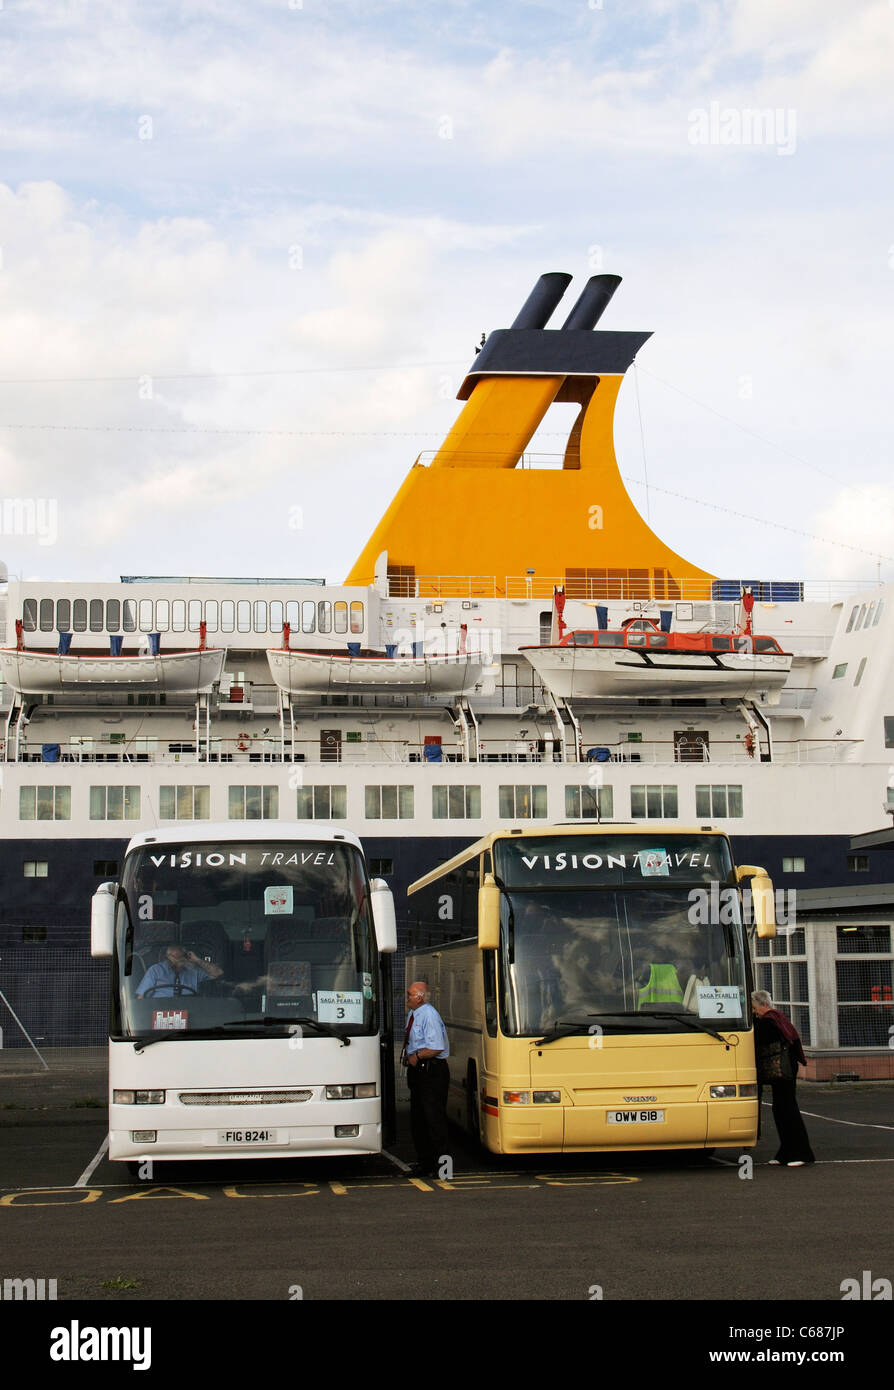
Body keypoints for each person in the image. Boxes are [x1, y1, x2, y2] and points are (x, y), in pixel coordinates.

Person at [751, 989, 815, 1167]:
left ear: (763, 1004)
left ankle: (802, 1152)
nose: (754, 1012)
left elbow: (758, 1038)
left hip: (783, 1071)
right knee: (780, 1109)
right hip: (786, 1069)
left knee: (788, 1110)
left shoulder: (770, 1021)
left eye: (755, 1008)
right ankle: (786, 1152)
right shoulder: (777, 1018)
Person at [401, 980, 450, 1178]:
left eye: (409, 995)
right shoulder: (413, 1014)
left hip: (431, 1071)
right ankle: (425, 1163)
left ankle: (444, 1167)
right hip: (418, 1071)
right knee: (419, 1119)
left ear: (419, 997)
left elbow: (436, 1046)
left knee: (434, 1120)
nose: (406, 999)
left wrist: (418, 1056)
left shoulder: (429, 1014)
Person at [136, 944, 223, 998]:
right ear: (167, 957)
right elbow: (141, 997)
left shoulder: (193, 970)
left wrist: (196, 960)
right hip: (160, 1011)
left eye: (180, 957)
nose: (177, 961)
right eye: (174, 957)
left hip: (189, 1010)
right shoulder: (155, 970)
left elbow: (218, 973)